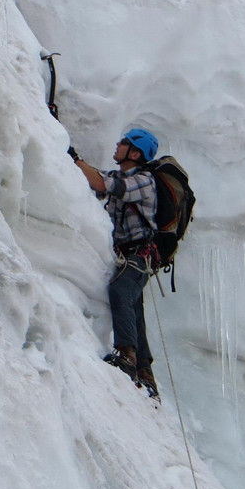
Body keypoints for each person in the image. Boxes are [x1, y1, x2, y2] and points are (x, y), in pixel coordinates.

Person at [69, 128, 161, 398]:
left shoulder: (145, 181)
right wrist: (72, 158)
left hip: (139, 254)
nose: (118, 144)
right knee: (133, 306)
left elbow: (102, 184)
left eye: (124, 143)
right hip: (129, 254)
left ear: (135, 153)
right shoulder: (120, 176)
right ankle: (145, 371)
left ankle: (127, 355)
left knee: (121, 291)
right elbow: (97, 180)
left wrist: (75, 160)